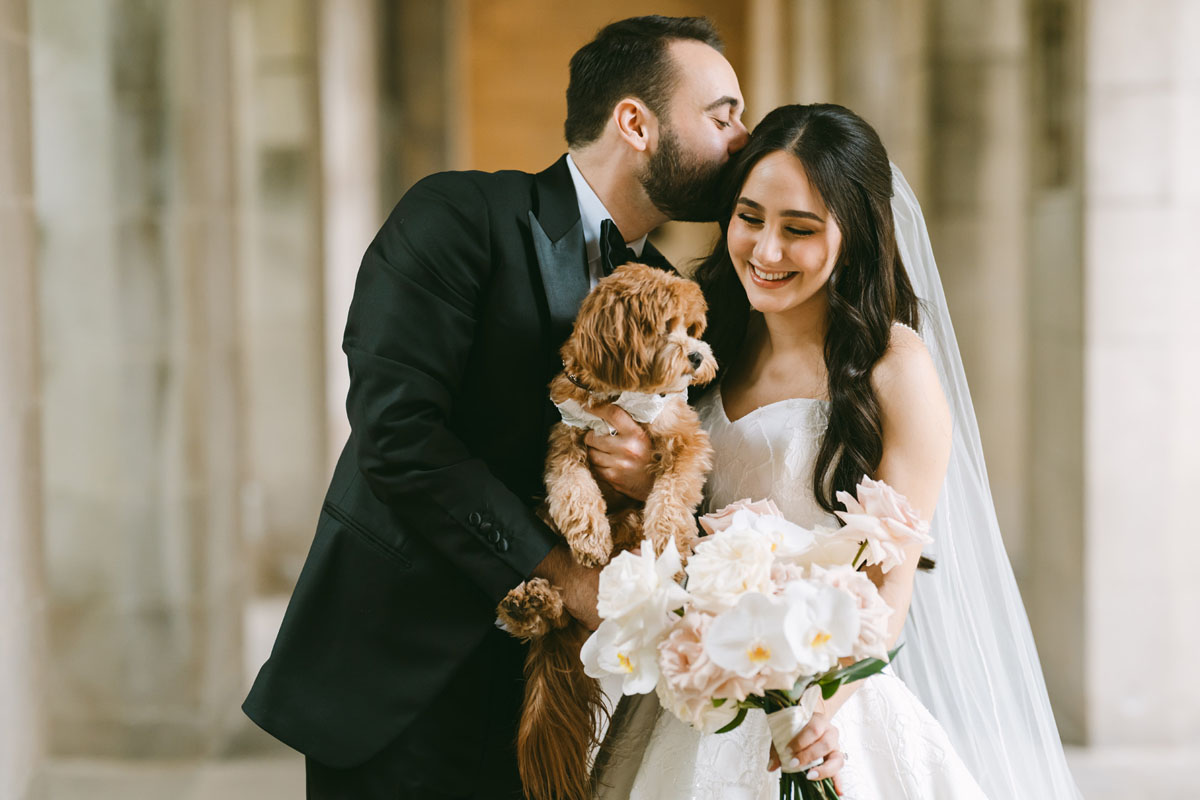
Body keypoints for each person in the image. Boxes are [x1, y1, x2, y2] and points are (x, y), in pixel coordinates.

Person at [241, 15, 747, 800]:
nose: (741, 138)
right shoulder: (457, 216)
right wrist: (560, 577)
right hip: (403, 674)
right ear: (636, 122)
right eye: (722, 115)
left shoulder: (678, 300)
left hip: (562, 696)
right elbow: (399, 433)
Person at [593, 104, 1082, 798]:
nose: (765, 251)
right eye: (749, 217)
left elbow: (892, 583)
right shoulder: (706, 334)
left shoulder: (893, 366)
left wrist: (817, 712)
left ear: (854, 237)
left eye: (799, 230)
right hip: (695, 686)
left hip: (824, 697)